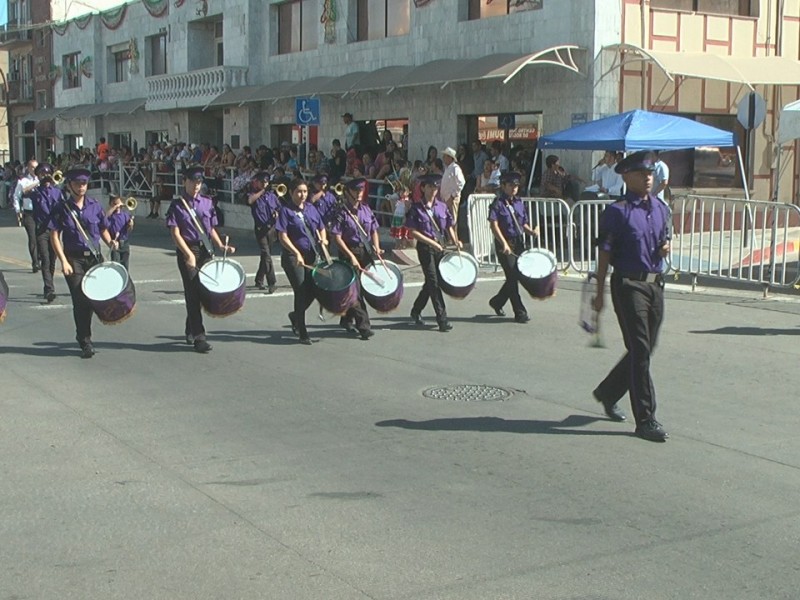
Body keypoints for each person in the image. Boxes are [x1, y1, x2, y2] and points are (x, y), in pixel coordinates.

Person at [592, 150, 671, 442]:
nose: (648, 178)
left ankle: (607, 391)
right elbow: (604, 253)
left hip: (655, 285)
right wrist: (598, 293)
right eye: (642, 174)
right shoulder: (617, 211)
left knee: (646, 349)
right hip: (628, 285)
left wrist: (665, 248)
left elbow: (664, 238)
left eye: (650, 174)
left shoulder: (661, 208)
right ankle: (646, 419)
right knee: (640, 350)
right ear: (626, 177)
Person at [49, 168, 118, 359]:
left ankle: (84, 334)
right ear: (70, 185)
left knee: (95, 298)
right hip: (74, 258)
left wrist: (110, 241)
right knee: (81, 300)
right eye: (78, 184)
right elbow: (54, 236)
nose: (81, 187)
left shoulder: (94, 206)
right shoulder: (62, 208)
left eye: (84, 184)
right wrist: (63, 261)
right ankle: (85, 340)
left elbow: (103, 228)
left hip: (94, 257)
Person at [166, 166, 236, 354]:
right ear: (184, 182)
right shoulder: (177, 205)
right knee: (192, 292)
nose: (196, 185)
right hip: (188, 250)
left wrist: (221, 245)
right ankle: (199, 336)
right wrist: (188, 254)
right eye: (192, 182)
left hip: (206, 249)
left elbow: (211, 228)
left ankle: (190, 328)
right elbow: (175, 233)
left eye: (199, 182)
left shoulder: (207, 202)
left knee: (203, 292)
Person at [405, 173, 462, 332]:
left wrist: (455, 240)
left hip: (440, 248)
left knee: (431, 283)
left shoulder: (442, 206)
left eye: (435, 188)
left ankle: (416, 310)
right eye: (430, 187)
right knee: (433, 282)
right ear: (423, 188)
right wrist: (431, 243)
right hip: (425, 248)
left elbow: (449, 225)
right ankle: (442, 319)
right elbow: (413, 232)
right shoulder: (417, 208)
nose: (433, 191)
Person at [276, 177, 328, 345]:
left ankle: (295, 316)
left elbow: (321, 227)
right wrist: (295, 252)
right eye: (299, 191)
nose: (302, 195)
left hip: (311, 255)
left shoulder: (311, 209)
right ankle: (302, 330)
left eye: (305, 191)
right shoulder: (286, 211)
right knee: (300, 289)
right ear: (291, 192)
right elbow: (282, 236)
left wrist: (324, 240)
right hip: (293, 257)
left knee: (313, 289)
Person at [329, 177, 381, 340]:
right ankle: (364, 326)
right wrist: (351, 256)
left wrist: (377, 247)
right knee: (355, 290)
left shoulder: (366, 209)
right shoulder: (341, 212)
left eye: (361, 190)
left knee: (361, 288)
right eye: (356, 190)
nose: (359, 193)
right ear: (348, 192)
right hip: (349, 252)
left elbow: (373, 229)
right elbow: (337, 237)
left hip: (365, 251)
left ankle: (346, 318)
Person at [487, 172, 540, 323]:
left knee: (517, 275)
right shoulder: (498, 203)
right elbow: (494, 224)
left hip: (518, 242)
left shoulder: (519, 202)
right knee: (511, 276)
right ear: (503, 186)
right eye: (510, 185)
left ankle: (497, 301)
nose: (514, 188)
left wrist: (532, 231)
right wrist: (503, 243)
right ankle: (520, 311)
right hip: (504, 242)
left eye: (516, 186)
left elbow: (522, 223)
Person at [30, 163, 61, 302]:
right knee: (45, 258)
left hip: (55, 229)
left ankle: (49, 284)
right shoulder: (36, 192)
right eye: (42, 174)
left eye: (48, 174)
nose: (46, 177)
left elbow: (62, 208)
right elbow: (24, 193)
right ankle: (49, 288)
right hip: (42, 229)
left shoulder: (57, 192)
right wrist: (39, 182)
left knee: (53, 260)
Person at [247, 171, 279, 293]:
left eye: (266, 182)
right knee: (266, 254)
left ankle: (259, 279)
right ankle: (272, 282)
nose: (265, 184)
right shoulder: (253, 194)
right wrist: (261, 191)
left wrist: (277, 213)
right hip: (260, 229)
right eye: (262, 182)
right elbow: (250, 201)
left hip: (271, 228)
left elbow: (278, 207)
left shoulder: (272, 196)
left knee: (266, 256)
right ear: (258, 182)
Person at [12, 159, 40, 272]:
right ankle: (35, 263)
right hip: (29, 213)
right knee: (32, 238)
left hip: (41, 213)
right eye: (32, 167)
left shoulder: (43, 180)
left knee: (41, 238)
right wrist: (18, 210)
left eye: (36, 167)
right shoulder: (23, 181)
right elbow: (16, 196)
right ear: (28, 168)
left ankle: (42, 259)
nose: (34, 170)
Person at [106, 195, 134, 270]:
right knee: (116, 265)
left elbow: (129, 229)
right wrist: (115, 207)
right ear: (110, 204)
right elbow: (105, 217)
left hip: (124, 242)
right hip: (115, 242)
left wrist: (130, 225)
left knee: (125, 265)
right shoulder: (110, 215)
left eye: (118, 202)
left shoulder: (125, 214)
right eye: (114, 203)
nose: (117, 205)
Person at [440, 147, 466, 225]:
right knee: (448, 221)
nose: (443, 158)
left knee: (452, 220)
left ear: (450, 158)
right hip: (446, 198)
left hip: (451, 199)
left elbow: (461, 182)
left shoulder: (455, 168)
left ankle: (454, 237)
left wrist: (453, 195)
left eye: (445, 156)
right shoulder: (447, 169)